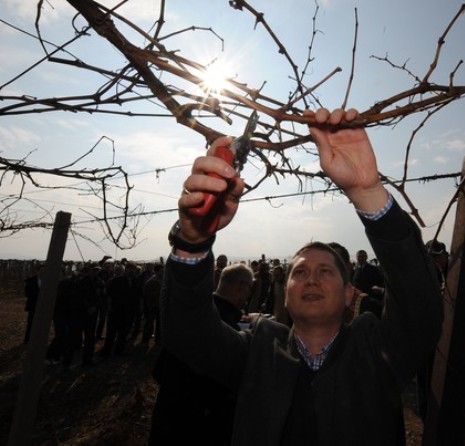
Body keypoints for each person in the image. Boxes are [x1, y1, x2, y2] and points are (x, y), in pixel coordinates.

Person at [161, 107, 443, 445]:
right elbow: (187, 332)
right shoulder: (258, 353)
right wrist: (192, 243)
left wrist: (369, 193)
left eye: (326, 271)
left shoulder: (376, 350)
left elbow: (419, 309)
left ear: (348, 291)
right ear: (287, 290)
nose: (311, 279)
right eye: (300, 272)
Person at [150, 263, 253, 446]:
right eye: (249, 288)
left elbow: (159, 370)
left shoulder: (191, 316)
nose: (248, 294)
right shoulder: (226, 326)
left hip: (168, 422)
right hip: (198, 430)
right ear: (242, 285)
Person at [23, 263, 42, 344]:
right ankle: (27, 339)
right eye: (41, 270)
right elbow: (27, 293)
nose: (42, 272)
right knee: (31, 322)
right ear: (37, 271)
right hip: (33, 305)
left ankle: (38, 339)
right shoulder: (31, 281)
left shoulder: (49, 281)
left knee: (41, 323)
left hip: (43, 306)